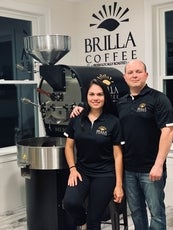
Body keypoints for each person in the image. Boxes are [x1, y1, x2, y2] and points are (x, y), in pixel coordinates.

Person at [70, 59, 173, 230]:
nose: (134, 75)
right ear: (125, 77)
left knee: (156, 213)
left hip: (151, 169)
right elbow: (98, 109)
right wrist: (81, 107)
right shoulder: (121, 103)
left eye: (138, 71)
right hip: (128, 169)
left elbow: (168, 132)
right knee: (137, 211)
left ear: (146, 75)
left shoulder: (159, 99)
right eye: (130, 72)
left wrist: (158, 165)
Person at [63, 78, 124, 230]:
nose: (95, 98)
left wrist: (119, 185)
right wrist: (72, 169)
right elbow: (69, 147)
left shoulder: (113, 122)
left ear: (105, 97)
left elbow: (118, 155)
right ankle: (81, 221)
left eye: (100, 94)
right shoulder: (77, 119)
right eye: (92, 94)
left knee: (94, 220)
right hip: (82, 171)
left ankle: (88, 223)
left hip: (105, 174)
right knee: (70, 203)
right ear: (86, 97)